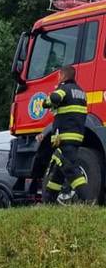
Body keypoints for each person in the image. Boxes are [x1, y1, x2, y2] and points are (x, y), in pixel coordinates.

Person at [37, 65, 88, 204]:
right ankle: (49, 201)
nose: (58, 78)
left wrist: (46, 102)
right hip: (77, 136)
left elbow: (53, 98)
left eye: (59, 76)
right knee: (58, 171)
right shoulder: (81, 92)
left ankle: (87, 199)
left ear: (63, 76)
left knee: (70, 169)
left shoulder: (63, 88)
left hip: (65, 137)